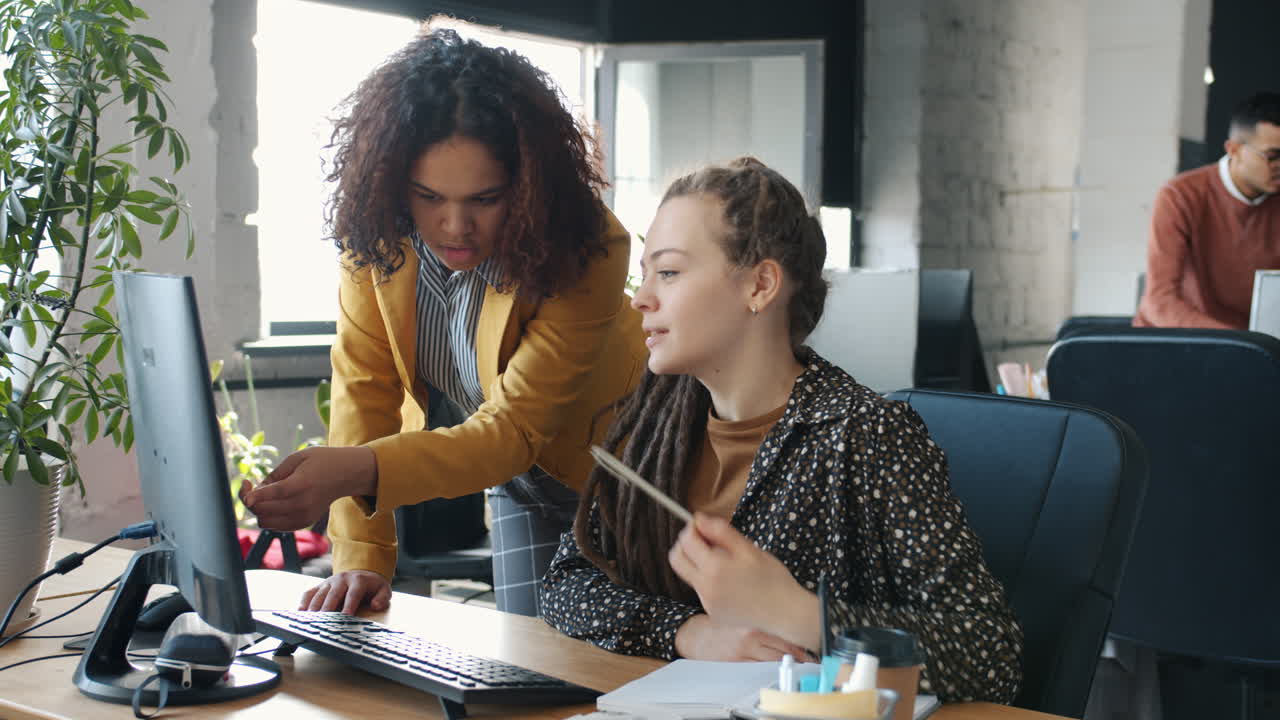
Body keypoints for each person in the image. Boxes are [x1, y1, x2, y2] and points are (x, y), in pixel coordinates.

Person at [539, 158, 1023, 703]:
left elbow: (991, 653)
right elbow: (566, 585)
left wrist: (798, 614)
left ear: (760, 285)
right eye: (646, 272)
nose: (641, 297)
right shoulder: (657, 424)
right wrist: (690, 633)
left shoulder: (867, 436)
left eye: (668, 272)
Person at [242, 27, 647, 618]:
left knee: (628, 680)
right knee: (528, 678)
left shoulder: (587, 246)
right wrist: (359, 558)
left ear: (528, 186)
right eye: (429, 196)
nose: (455, 226)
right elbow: (365, 389)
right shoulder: (375, 242)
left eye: (484, 199)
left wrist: (351, 471)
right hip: (518, 484)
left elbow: (512, 430)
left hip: (633, 477)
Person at [1135, 91, 1280, 328]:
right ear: (1234, 150)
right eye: (1273, 156)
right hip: (1186, 342)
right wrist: (1241, 344)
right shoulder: (1180, 195)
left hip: (1255, 348)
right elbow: (1159, 302)